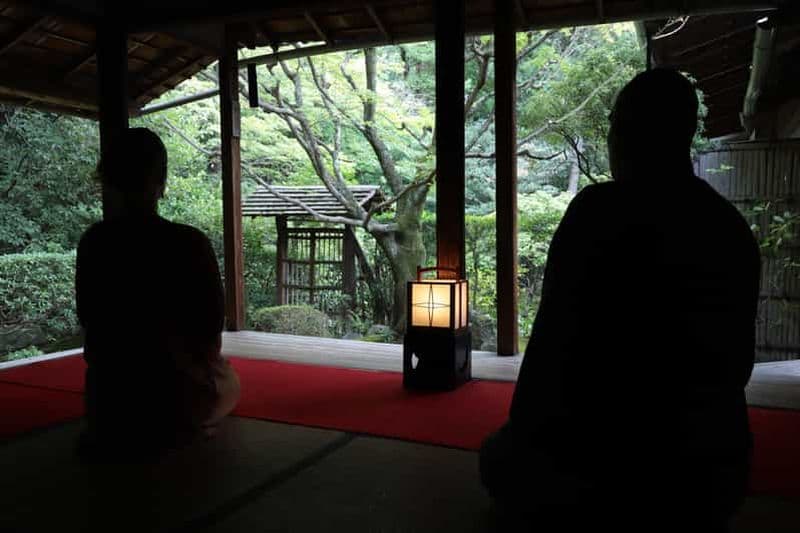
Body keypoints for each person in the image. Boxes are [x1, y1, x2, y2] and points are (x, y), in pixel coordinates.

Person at [480, 69, 761, 531]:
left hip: (600, 471)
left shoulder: (597, 212)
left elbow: (549, 353)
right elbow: (737, 368)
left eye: (614, 127)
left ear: (628, 133)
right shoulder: (728, 227)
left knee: (498, 457)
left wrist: (523, 438)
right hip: (709, 474)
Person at [76, 128, 240, 459]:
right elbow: (210, 330)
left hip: (109, 400)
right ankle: (192, 421)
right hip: (176, 394)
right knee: (229, 381)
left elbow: (89, 319)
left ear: (107, 180)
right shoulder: (191, 242)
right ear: (161, 182)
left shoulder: (94, 242)